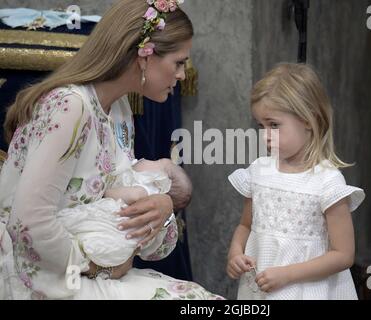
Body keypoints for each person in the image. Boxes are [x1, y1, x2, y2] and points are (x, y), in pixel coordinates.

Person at [0, 0, 222, 300]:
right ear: (144, 57)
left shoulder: (118, 110)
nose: (182, 74)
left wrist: (163, 206)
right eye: (179, 62)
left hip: (78, 269)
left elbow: (121, 198)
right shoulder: (70, 107)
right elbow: (29, 224)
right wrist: (96, 267)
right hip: (34, 274)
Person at [226, 63, 366, 300]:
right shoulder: (259, 171)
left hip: (309, 291)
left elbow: (343, 254)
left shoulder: (327, 182)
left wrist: (288, 275)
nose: (265, 135)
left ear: (308, 120)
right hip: (261, 290)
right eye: (261, 125)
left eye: (274, 125)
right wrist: (235, 253)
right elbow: (246, 226)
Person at [56, 158, 189, 269]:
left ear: (159, 180)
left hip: (105, 230)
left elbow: (108, 194)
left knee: (75, 227)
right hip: (115, 253)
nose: (145, 159)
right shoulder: (152, 213)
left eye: (156, 161)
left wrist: (108, 190)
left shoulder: (142, 191)